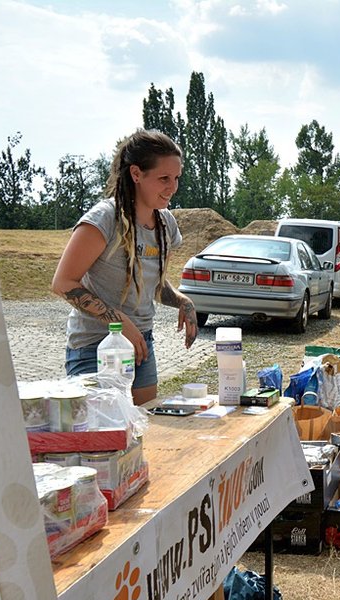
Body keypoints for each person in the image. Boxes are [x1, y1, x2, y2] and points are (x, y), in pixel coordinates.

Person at [52, 129, 199, 406]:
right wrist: (119, 324)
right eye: (164, 178)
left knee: (144, 427)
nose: (173, 187)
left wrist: (182, 301)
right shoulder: (104, 220)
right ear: (136, 174)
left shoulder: (166, 224)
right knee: (100, 436)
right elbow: (63, 283)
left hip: (141, 344)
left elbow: (152, 283)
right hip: (95, 347)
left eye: (176, 178)